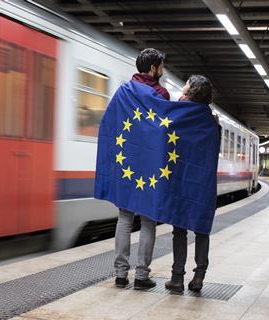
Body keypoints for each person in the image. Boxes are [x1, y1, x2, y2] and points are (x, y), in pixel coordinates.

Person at [114, 48, 170, 290]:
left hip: (127, 163)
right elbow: (165, 130)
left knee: (124, 219)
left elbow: (113, 123)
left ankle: (119, 274)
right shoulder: (161, 93)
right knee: (148, 222)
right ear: (153, 69)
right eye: (161, 66)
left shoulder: (124, 91)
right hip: (151, 166)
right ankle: (141, 276)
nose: (163, 70)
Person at [165, 74, 218, 292]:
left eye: (186, 84)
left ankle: (177, 278)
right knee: (202, 229)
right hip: (204, 182)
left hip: (182, 180)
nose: (183, 87)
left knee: (180, 230)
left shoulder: (181, 114)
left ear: (191, 91)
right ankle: (199, 278)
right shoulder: (212, 120)